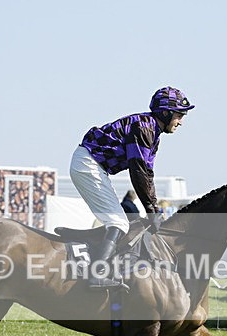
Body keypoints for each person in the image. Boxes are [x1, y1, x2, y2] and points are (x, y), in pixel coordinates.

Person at [70, 86, 194, 288]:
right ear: (165, 112)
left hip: (93, 165)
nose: (181, 121)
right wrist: (152, 210)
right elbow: (137, 171)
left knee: (119, 222)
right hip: (88, 164)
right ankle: (96, 274)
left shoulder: (153, 133)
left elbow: (148, 175)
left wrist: (155, 209)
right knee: (119, 222)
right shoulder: (144, 128)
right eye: (179, 115)